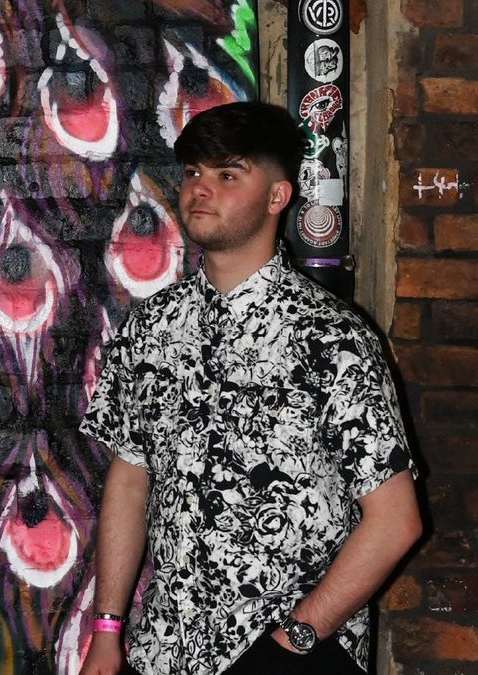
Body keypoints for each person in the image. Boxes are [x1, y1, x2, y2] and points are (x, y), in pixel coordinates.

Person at [78, 102, 421, 675]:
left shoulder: (330, 337)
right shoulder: (150, 328)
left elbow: (395, 520)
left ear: (278, 196)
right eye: (193, 171)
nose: (200, 188)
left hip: (294, 651)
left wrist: (295, 639)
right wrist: (108, 629)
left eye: (228, 173)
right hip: (166, 651)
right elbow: (130, 479)